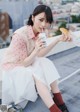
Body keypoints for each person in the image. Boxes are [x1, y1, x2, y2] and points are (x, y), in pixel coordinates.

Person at [1, 5, 71, 112]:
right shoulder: (20, 35)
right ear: (33, 18)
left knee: (46, 63)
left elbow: (40, 54)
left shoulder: (41, 32)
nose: (44, 24)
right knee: (37, 73)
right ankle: (55, 109)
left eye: (47, 21)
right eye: (41, 20)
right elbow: (24, 63)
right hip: (14, 67)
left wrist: (58, 39)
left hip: (28, 60)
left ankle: (60, 102)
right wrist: (36, 50)